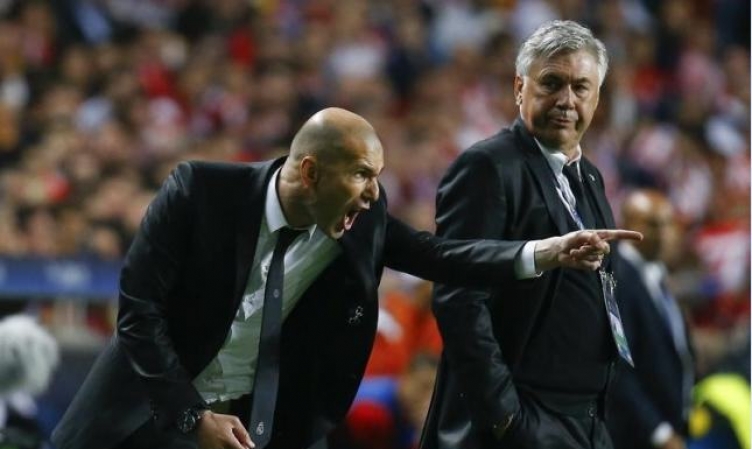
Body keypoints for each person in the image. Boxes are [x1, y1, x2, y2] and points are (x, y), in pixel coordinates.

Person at [51, 107, 639, 449]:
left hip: (249, 428)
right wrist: (192, 417)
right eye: (361, 174)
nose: (374, 194)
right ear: (310, 172)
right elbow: (139, 314)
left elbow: (438, 255)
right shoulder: (199, 192)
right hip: (142, 416)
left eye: (377, 176)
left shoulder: (360, 222)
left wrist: (542, 252)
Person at [421, 20, 632, 449]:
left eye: (581, 87)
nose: (566, 100)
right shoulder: (488, 166)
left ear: (597, 98)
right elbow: (459, 297)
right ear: (520, 88)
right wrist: (505, 417)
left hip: (587, 420)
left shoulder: (590, 176)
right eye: (551, 83)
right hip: (523, 423)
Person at [607, 190, 695, 449]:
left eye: (668, 224)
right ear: (627, 226)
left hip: (670, 427)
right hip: (637, 436)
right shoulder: (618, 276)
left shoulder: (655, 275)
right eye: (654, 225)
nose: (664, 233)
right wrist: (658, 432)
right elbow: (618, 366)